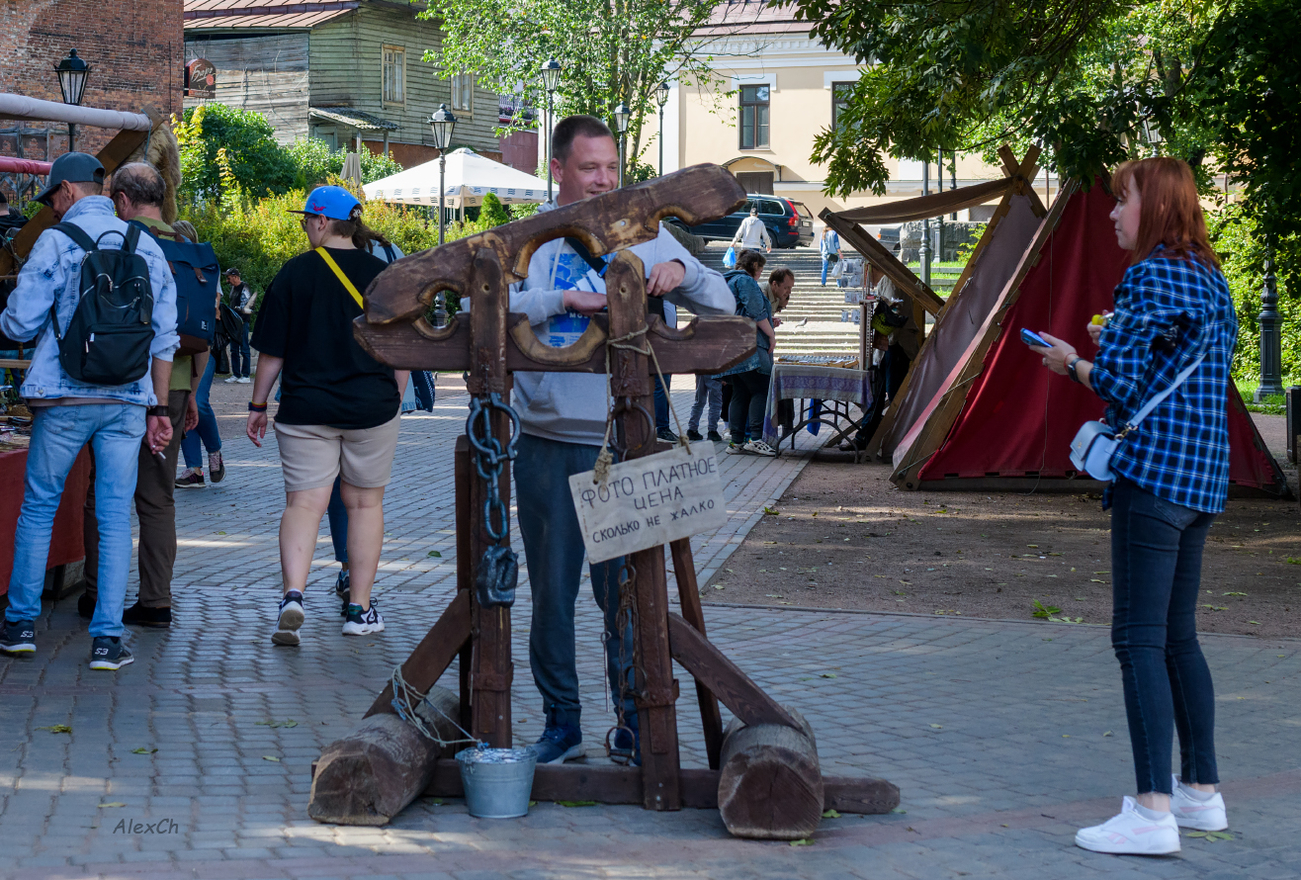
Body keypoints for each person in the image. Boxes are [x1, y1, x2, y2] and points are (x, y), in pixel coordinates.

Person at [506, 114, 732, 764]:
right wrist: (559, 303)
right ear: (558, 170)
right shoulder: (530, 242)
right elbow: (478, 309)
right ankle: (561, 724)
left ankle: (633, 721)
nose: (603, 178)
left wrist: (677, 278)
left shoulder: (651, 235)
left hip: (625, 442)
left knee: (627, 595)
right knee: (551, 595)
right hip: (547, 442)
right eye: (588, 168)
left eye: (610, 167)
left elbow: (723, 301)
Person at [1032, 157, 1233, 856]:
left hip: (1153, 480)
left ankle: (1149, 811)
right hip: (1204, 481)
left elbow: (1117, 383)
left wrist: (1072, 361)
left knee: (1136, 639)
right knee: (1179, 637)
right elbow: (1176, 372)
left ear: (1155, 207)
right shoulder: (1211, 278)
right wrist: (1113, 343)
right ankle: (1199, 793)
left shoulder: (1149, 273)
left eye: (1123, 201)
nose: (1114, 213)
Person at [0, 153, 178, 669]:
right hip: (126, 400)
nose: (52, 209)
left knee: (39, 507)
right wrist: (159, 408)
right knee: (114, 515)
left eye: (53, 198)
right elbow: (164, 339)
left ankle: (19, 626)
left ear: (69, 193)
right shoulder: (146, 245)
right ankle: (106, 639)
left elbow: (19, 324)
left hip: (64, 397)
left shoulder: (55, 243)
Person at [246, 186, 409, 646]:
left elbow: (272, 354)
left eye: (305, 220)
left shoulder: (294, 274)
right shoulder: (384, 275)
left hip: (305, 409)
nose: (304, 227)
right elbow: (402, 353)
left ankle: (293, 596)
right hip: (371, 409)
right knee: (364, 505)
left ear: (320, 221)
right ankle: (358, 608)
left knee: (303, 504)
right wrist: (392, 399)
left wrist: (258, 405)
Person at [76, 163, 203, 629]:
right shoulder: (187, 246)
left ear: (124, 200)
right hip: (176, 383)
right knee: (158, 498)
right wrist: (190, 393)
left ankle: (95, 592)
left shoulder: (118, 240)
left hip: (122, 382)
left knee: (101, 494)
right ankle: (156, 600)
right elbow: (195, 330)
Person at [717, 249, 777, 456]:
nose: (760, 273)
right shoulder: (745, 281)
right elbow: (756, 312)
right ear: (754, 266)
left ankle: (736, 441)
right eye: (760, 268)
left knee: (740, 393)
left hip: (731, 347)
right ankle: (756, 438)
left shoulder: (726, 281)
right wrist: (771, 335)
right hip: (749, 346)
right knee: (760, 388)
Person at [223, 268, 254, 384]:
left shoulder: (244, 287)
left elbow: (247, 306)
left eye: (229, 277)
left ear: (235, 277)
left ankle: (245, 375)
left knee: (244, 349)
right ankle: (236, 374)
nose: (228, 280)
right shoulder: (233, 289)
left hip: (242, 323)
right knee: (233, 349)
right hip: (233, 323)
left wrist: (240, 316)